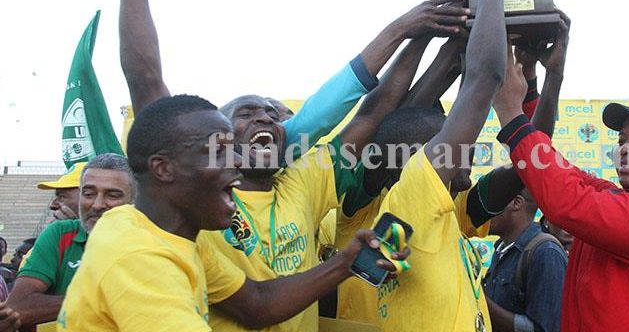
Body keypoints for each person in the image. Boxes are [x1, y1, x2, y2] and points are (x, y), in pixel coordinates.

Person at [102, 0, 463, 332]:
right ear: (216, 145)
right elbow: (148, 82)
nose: (266, 119)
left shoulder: (303, 182)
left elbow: (374, 112)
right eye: (248, 113)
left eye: (274, 114)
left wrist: (423, 29)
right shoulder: (198, 206)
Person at [58, 95, 407, 331]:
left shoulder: (183, 238)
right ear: (164, 168)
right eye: (221, 152)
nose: (238, 161)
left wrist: (344, 264)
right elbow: (146, 76)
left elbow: (258, 304)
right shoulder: (135, 255)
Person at [493, 19, 629, 331]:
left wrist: (509, 112)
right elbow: (551, 165)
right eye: (622, 141)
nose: (626, 149)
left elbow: (563, 199)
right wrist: (534, 77)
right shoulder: (619, 199)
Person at [366, 0, 523, 331]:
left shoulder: (429, 214)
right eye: (452, 142)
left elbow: (526, 169)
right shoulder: (414, 192)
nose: (464, 147)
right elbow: (482, 79)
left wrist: (541, 75)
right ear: (421, 155)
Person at [6, 153, 135, 328]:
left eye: (112, 195)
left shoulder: (153, 240)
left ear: (134, 200)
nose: (97, 204)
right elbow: (18, 307)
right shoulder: (60, 234)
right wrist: (104, 300)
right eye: (88, 194)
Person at [483, 189, 567, 332]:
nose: (484, 211)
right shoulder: (500, 248)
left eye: (492, 202)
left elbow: (544, 328)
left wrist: (484, 303)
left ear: (516, 203)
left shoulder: (546, 252)